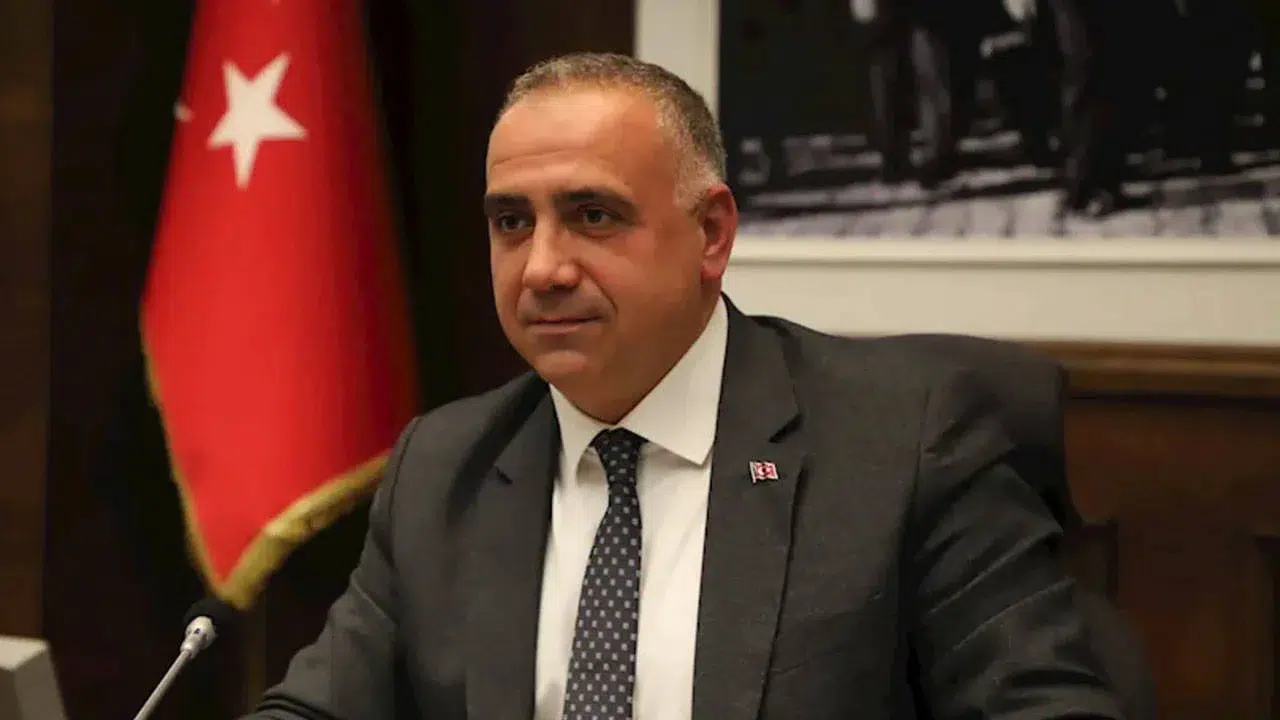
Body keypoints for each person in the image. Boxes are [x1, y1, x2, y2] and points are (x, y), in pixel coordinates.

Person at [243, 52, 1126, 719]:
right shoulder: (446, 466)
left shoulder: (905, 440)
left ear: (711, 234)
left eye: (592, 215)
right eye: (512, 222)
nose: (542, 267)